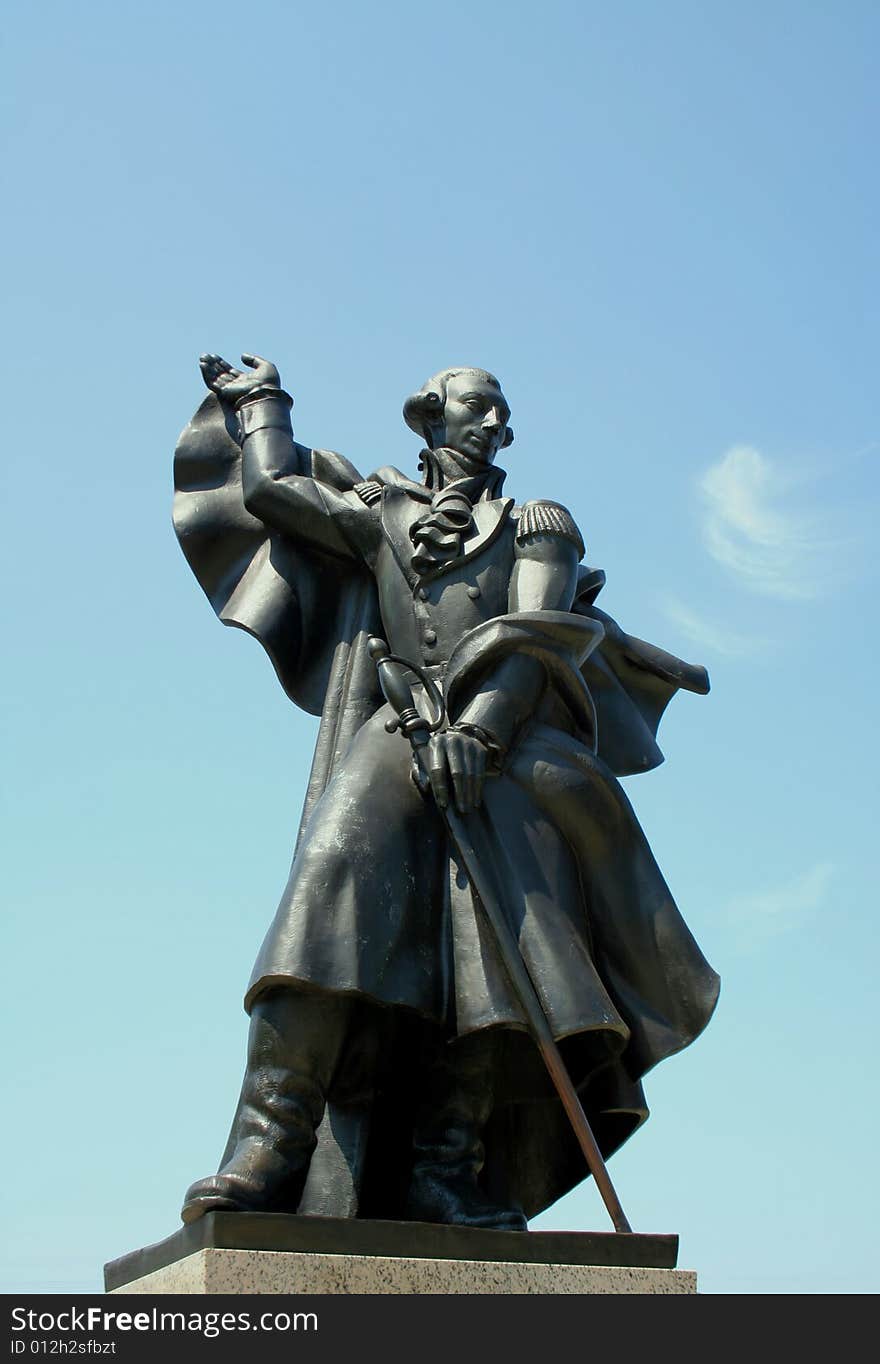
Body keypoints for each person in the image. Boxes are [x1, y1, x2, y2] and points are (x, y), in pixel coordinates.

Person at [172, 354, 720, 1230]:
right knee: (328, 884)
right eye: (479, 409)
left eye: (503, 414)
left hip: (510, 756)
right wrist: (262, 401)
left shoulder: (539, 522)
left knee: (506, 953)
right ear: (429, 416)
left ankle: (446, 1164)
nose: (496, 425)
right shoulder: (380, 512)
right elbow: (273, 493)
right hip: (402, 729)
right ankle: (269, 1140)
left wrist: (483, 733)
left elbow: (539, 637)